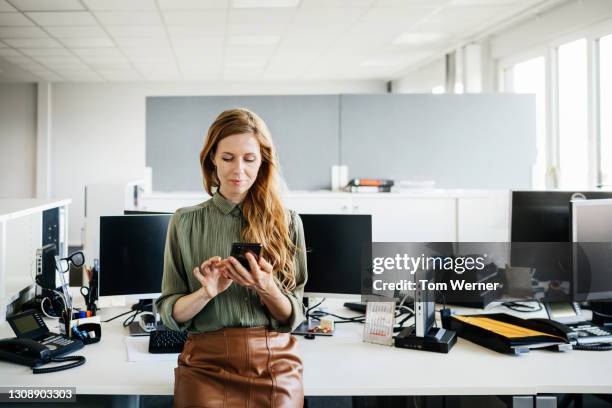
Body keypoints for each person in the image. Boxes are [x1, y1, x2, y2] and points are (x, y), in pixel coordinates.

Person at [155, 108, 307, 408]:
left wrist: (266, 287)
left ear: (263, 160)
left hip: (273, 360)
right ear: (212, 157)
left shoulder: (287, 222)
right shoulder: (184, 222)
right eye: (227, 158)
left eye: (249, 159)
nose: (238, 170)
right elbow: (170, 314)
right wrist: (206, 293)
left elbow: (293, 316)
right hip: (205, 363)